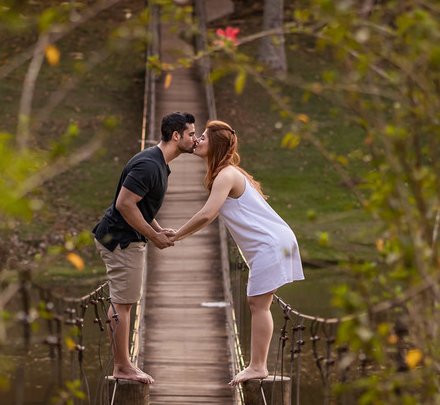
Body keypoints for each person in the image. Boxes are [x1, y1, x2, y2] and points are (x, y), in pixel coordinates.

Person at [172, 120, 304, 385]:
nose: (197, 141)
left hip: (271, 245)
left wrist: (176, 236)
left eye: (204, 138)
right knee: (259, 303)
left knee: (258, 304)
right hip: (276, 242)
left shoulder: (226, 175)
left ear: (216, 146)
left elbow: (208, 214)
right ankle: (258, 365)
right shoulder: (229, 173)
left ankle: (258, 366)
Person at [93, 111, 197, 384]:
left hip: (126, 238)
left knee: (124, 302)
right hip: (120, 240)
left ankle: (124, 364)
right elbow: (124, 204)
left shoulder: (159, 162)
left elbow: (141, 205)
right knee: (122, 303)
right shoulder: (149, 165)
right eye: (191, 134)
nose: (195, 139)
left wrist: (158, 228)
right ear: (177, 136)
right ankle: (122, 367)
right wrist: (153, 236)